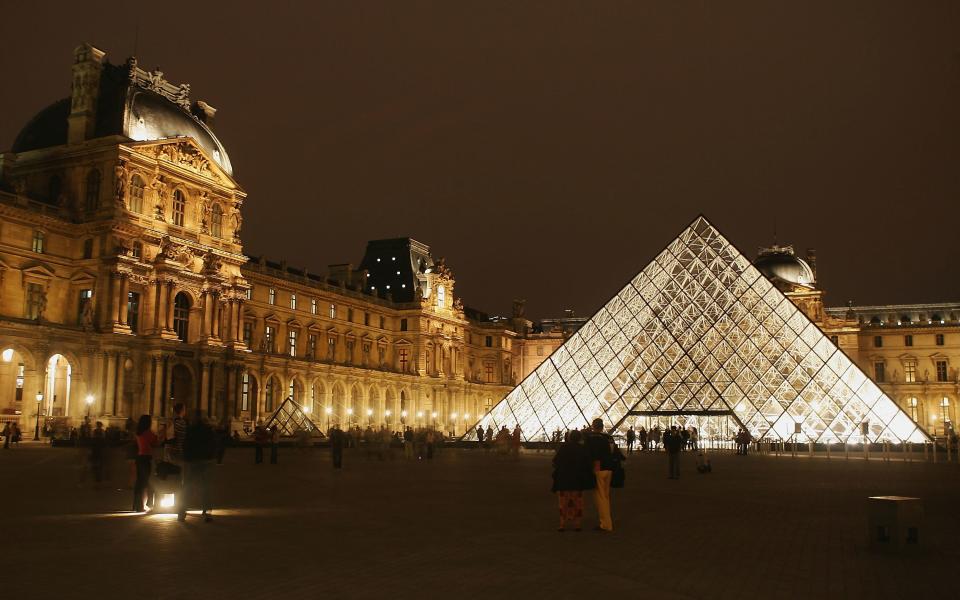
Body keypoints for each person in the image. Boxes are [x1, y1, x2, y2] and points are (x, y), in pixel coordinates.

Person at [551, 429, 595, 532]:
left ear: (569, 437)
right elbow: (588, 464)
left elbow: (555, 462)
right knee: (577, 502)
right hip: (577, 479)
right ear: (580, 438)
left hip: (564, 479)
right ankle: (577, 524)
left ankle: (562, 524)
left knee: (563, 502)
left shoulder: (564, 447)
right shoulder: (583, 448)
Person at [180, 410, 216, 522]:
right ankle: (207, 513)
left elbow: (185, 445)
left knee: (187, 487)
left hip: (193, 461)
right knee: (206, 487)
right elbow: (214, 445)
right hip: (206, 461)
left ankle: (182, 512)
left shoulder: (190, 429)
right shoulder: (209, 430)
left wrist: (186, 458)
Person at [583, 418, 616, 532]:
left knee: (600, 498)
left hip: (599, 469)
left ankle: (606, 524)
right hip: (609, 469)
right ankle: (607, 521)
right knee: (605, 497)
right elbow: (613, 453)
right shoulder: (608, 438)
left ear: (593, 426)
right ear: (602, 427)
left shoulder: (591, 439)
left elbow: (589, 455)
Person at [133, 415, 158, 512]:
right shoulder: (148, 433)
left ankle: (137, 505)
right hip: (146, 458)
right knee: (145, 482)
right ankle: (142, 506)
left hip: (139, 457)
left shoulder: (138, 432)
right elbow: (155, 441)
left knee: (139, 482)